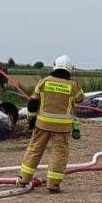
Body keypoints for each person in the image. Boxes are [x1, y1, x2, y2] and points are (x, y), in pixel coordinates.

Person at [17, 55, 84, 193]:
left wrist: (31, 119)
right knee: (59, 154)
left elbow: (32, 102)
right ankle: (53, 184)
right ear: (70, 69)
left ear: (55, 66)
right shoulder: (73, 85)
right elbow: (80, 99)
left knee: (34, 149)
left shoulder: (44, 82)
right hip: (62, 128)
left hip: (42, 125)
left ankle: (24, 179)